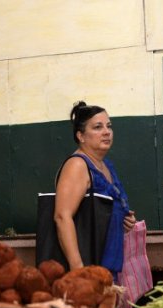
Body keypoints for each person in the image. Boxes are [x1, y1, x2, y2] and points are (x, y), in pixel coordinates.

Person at [54, 101, 136, 274]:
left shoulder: (106, 165)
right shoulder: (77, 165)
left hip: (108, 267)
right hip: (88, 271)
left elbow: (97, 214)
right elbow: (62, 216)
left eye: (109, 126)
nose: (106, 132)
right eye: (98, 127)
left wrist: (123, 220)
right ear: (81, 136)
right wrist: (78, 269)